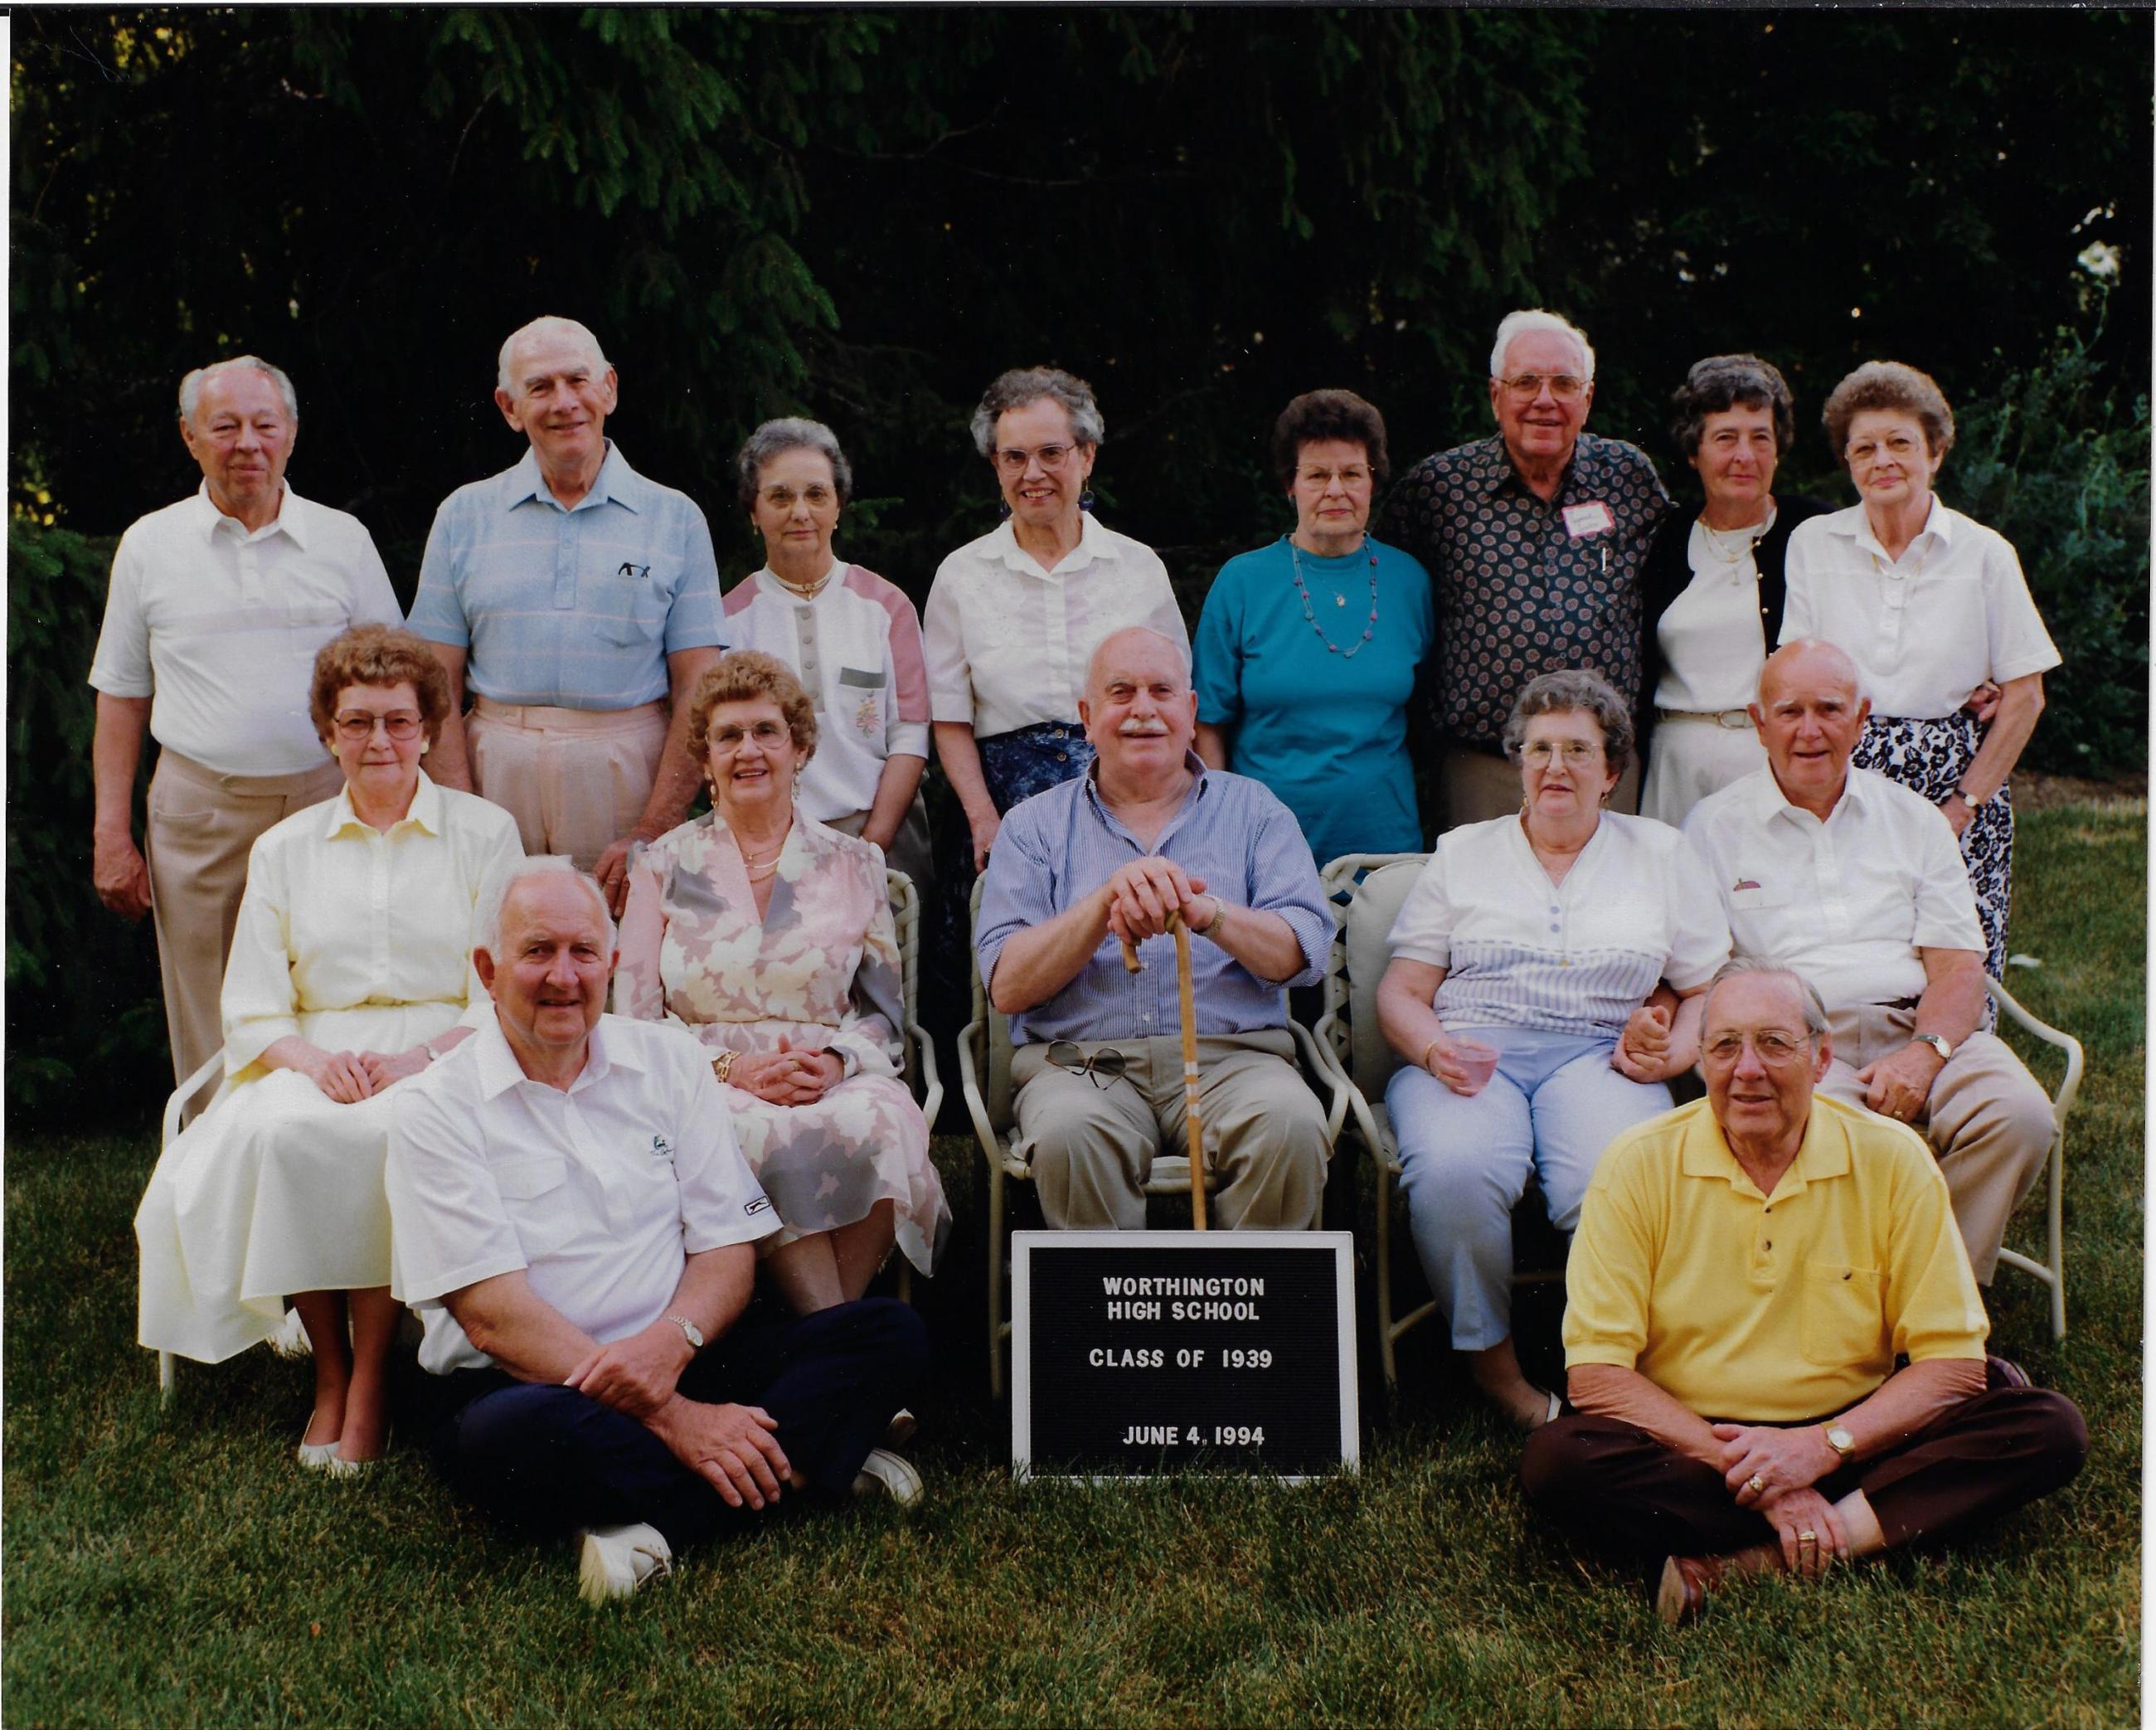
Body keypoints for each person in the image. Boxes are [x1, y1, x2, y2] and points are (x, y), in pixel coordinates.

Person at [387, 862, 928, 1602]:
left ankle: (657, 1524)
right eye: (537, 951)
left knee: (889, 1333)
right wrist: (672, 1418)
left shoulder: (668, 1062)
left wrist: (672, 1349)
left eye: (584, 953)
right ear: (488, 969)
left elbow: (727, 1250)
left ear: (611, 964)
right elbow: (490, 1319)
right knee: (509, 1440)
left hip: (686, 1352)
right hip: (535, 1382)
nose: (563, 976)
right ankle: (807, 1467)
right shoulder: (433, 1110)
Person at [1522, 959, 2086, 1626]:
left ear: (1821, 1059)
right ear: (1700, 1061)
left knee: (2048, 1427)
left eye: (1774, 1043)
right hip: (1695, 1444)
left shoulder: (1893, 1158)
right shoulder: (1636, 1163)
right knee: (1558, 1461)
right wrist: (1764, 1481)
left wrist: (1818, 1449)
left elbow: (1952, 1364)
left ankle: (1748, 1564)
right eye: (1725, 1045)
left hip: (1850, 1433)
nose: (1747, 1069)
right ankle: (1865, 1525)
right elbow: (1596, 1378)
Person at [135, 624, 522, 1473]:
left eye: (395, 719)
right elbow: (251, 1004)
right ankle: (332, 1370)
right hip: (314, 1052)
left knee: (391, 1132)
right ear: (327, 733)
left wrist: (412, 1062)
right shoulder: (282, 848)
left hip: (443, 1052)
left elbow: (497, 993)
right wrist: (317, 1065)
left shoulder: (484, 832)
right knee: (285, 1132)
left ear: (427, 728)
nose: (376, 740)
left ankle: (375, 1378)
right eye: (355, 722)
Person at [1374, 669, 1729, 1429]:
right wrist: (1436, 1052)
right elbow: (1401, 992)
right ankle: (1494, 1370)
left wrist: (1667, 1057)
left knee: (1616, 1173)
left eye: (1578, 750)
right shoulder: (1464, 852)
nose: (1556, 767)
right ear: (1518, 762)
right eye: (1539, 749)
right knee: (1456, 1171)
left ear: (1611, 771)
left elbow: (1705, 986)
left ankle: (1612, 1362)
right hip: (1472, 1051)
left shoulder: (1660, 854)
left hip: (1597, 1055)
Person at [1684, 640, 2056, 1283]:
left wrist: (1925, 1052)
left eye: (1829, 709)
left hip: (1919, 1023)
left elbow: (1960, 967)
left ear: (1862, 719)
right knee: (1825, 1135)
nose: (1809, 730)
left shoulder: (1912, 820)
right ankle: (1879, 1308)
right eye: (1790, 711)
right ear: (1758, 722)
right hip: (1788, 1042)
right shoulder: (1713, 828)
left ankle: (1936, 1305)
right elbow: (1702, 976)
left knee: (2018, 1114)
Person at [89, 355, 402, 1099]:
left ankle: (317, 1164)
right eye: (224, 426)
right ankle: (208, 1183)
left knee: (336, 989)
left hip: (335, 805)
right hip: (201, 813)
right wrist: (111, 835)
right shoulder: (150, 546)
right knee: (207, 1006)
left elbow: (398, 677)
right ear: (190, 437)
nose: (247, 444)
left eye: (265, 424)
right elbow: (122, 697)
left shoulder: (342, 540)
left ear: (291, 433)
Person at [614, 651, 949, 1313]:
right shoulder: (661, 865)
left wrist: (831, 1063)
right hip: (704, 1079)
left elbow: (884, 1018)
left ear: (799, 748)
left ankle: (817, 1347)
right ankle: (841, 1349)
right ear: (706, 760)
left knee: (889, 1124)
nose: (749, 750)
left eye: (766, 731)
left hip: (825, 1073)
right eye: (728, 736)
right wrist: (732, 1070)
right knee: (751, 1132)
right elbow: (635, 1027)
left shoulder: (857, 863)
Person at [976, 627, 1333, 1232]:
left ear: (1190, 713)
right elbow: (1008, 987)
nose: (1143, 709)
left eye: (1161, 691)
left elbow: (1305, 952)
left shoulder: (1257, 811)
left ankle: (1252, 1322)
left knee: (1290, 1122)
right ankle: (1118, 1326)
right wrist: (1104, 904)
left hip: (1236, 1062)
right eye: (1121, 693)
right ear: (1088, 717)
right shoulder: (1031, 826)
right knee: (1068, 1133)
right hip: (1083, 1066)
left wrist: (1207, 914)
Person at [408, 315, 726, 904]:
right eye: (540, 387)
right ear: (509, 407)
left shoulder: (675, 518)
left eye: (578, 381)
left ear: (609, 388)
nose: (564, 403)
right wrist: (463, 815)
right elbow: (434, 684)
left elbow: (698, 692)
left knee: (624, 960)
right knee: (495, 953)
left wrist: (652, 830)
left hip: (628, 773)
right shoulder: (464, 515)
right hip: (492, 771)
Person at [1782, 361, 2061, 984]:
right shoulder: (1813, 545)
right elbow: (1798, 674)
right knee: (1846, 956)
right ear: (1849, 463)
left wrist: (1960, 807)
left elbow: (2025, 697)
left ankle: (1956, 1068)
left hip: (1955, 781)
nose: (1883, 459)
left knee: (1952, 953)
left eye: (1901, 443)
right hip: (1843, 778)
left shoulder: (1985, 553)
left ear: (1934, 453)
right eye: (1865, 447)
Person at [1378, 309, 1671, 829]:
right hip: (1485, 768)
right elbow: (1386, 594)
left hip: (1600, 769)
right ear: (1496, 396)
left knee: (1604, 905)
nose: (1544, 399)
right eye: (1526, 382)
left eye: (1563, 383)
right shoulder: (1440, 489)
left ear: (1587, 398)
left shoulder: (1629, 479)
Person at [924, 366, 1187, 874]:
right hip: (1002, 816)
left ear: (1086, 457)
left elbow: (1171, 706)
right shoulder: (961, 575)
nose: (1033, 474)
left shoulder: (1139, 569)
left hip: (1126, 806)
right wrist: (982, 818)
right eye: (1014, 457)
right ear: (996, 466)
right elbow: (950, 717)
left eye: (1051, 453)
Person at [1193, 389, 1435, 863]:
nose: (1335, 490)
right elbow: (1208, 725)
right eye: (1317, 475)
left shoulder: (1410, 581)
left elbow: (1424, 711)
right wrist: (1218, 833)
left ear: (1373, 481)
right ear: (1290, 485)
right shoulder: (1242, 582)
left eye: (1351, 474)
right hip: (1264, 846)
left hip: (1385, 846)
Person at [718, 418, 935, 896]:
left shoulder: (887, 608)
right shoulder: (729, 621)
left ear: (839, 506)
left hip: (883, 837)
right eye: (779, 496)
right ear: (753, 512)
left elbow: (910, 733)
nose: (800, 512)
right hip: (769, 848)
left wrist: (871, 846)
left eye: (816, 495)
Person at [1636, 356, 1831, 826]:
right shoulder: (1662, 539)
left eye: (1760, 438)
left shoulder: (1817, 531)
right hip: (1674, 763)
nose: (1745, 455)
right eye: (1725, 438)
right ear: (1693, 451)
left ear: (1778, 449)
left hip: (1771, 761)